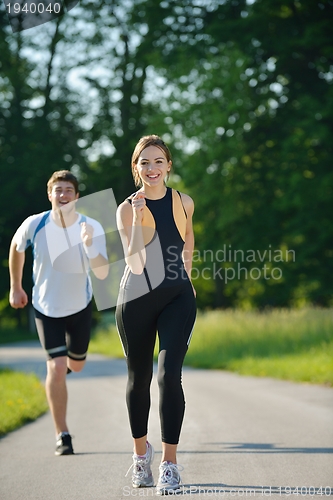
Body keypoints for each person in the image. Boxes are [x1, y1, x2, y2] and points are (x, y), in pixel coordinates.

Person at [116, 135, 196, 495]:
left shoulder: (183, 201)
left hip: (177, 297)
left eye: (158, 161)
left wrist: (188, 280)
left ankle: (170, 464)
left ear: (168, 165)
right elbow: (133, 261)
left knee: (169, 376)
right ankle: (139, 456)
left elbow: (187, 241)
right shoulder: (125, 208)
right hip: (136, 298)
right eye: (144, 162)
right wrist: (138, 218)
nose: (152, 169)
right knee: (139, 377)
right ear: (136, 168)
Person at [9, 170, 108, 456]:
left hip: (79, 306)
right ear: (49, 194)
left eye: (68, 190)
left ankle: (62, 367)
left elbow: (102, 273)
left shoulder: (91, 226)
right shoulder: (35, 224)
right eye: (58, 190)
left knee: (75, 366)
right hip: (46, 307)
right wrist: (16, 286)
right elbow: (17, 249)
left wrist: (90, 245)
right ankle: (62, 434)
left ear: (77, 196)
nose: (63, 195)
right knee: (57, 366)